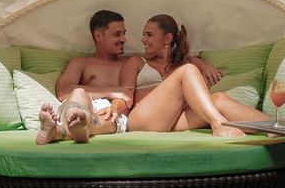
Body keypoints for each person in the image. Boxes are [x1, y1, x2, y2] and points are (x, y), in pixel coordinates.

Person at [36, 10, 225, 144]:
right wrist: (112, 91)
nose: (124, 39)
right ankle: (76, 124)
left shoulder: (131, 61)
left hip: (113, 113)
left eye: (124, 33)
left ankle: (59, 131)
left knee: (102, 121)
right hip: (82, 103)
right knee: (78, 95)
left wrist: (201, 63)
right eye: (117, 34)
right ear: (99, 36)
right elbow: (63, 92)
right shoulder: (81, 62)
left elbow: (175, 58)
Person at [119, 14, 271, 137]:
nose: (143, 40)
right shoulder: (136, 61)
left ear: (167, 38)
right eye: (144, 35)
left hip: (172, 120)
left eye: (149, 35)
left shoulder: (183, 64)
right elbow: (124, 96)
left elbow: (189, 64)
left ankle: (276, 126)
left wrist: (202, 65)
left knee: (218, 99)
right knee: (188, 70)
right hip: (142, 119)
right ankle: (218, 124)